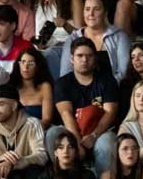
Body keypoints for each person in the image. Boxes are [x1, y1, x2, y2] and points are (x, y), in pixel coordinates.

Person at [51, 38, 119, 177]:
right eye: (80, 56)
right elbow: (66, 114)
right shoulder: (63, 83)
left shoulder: (107, 81)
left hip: (100, 132)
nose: (84, 60)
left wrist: (94, 135)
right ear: (71, 59)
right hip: (71, 132)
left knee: (106, 142)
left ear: (95, 59)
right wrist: (76, 142)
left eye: (89, 56)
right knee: (52, 133)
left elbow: (110, 112)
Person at [0, 83, 48, 179]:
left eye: (0, 104)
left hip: (22, 172)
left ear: (14, 105)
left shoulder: (32, 124)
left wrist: (15, 162)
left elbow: (42, 156)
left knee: (35, 170)